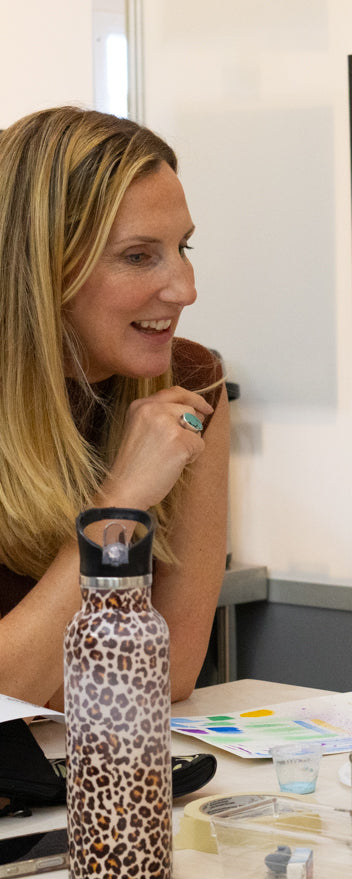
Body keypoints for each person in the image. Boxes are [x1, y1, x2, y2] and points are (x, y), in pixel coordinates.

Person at [0, 106, 229, 707]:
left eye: (183, 247)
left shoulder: (193, 385)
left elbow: (169, 672)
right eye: (137, 256)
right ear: (42, 265)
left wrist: (37, 666)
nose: (185, 289)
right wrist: (119, 501)